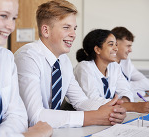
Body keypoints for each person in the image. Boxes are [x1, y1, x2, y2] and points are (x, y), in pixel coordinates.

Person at [14, 0, 126, 129]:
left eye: (74, 28)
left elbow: (80, 101)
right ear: (46, 30)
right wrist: (94, 116)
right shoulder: (27, 57)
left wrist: (111, 109)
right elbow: (36, 116)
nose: (73, 34)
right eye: (66, 27)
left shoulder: (64, 61)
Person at [0, 0, 52, 136]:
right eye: (3, 16)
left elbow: (17, 115)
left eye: (14, 18)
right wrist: (30, 135)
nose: (11, 26)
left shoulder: (6, 58)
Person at [74, 29, 149, 113]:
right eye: (111, 44)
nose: (116, 48)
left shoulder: (114, 67)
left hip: (110, 113)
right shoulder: (84, 67)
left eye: (116, 44)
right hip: (87, 116)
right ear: (97, 49)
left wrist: (123, 102)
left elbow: (125, 90)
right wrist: (131, 106)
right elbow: (93, 100)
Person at [111, 26, 149, 98]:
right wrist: (143, 93)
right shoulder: (106, 64)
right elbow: (114, 92)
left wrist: (124, 86)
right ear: (115, 44)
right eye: (128, 46)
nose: (130, 50)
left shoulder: (126, 61)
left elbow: (146, 83)